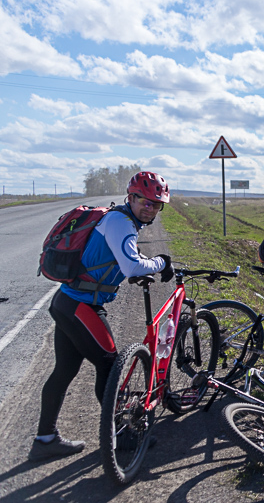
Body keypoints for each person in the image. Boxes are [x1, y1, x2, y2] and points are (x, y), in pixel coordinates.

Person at [29, 171, 175, 462]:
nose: (150, 208)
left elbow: (115, 262)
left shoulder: (120, 220)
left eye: (156, 204)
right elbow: (132, 265)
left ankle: (45, 440)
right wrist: (162, 262)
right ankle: (120, 435)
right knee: (110, 365)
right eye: (145, 201)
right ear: (130, 198)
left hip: (68, 303)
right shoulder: (120, 222)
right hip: (81, 306)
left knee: (65, 371)